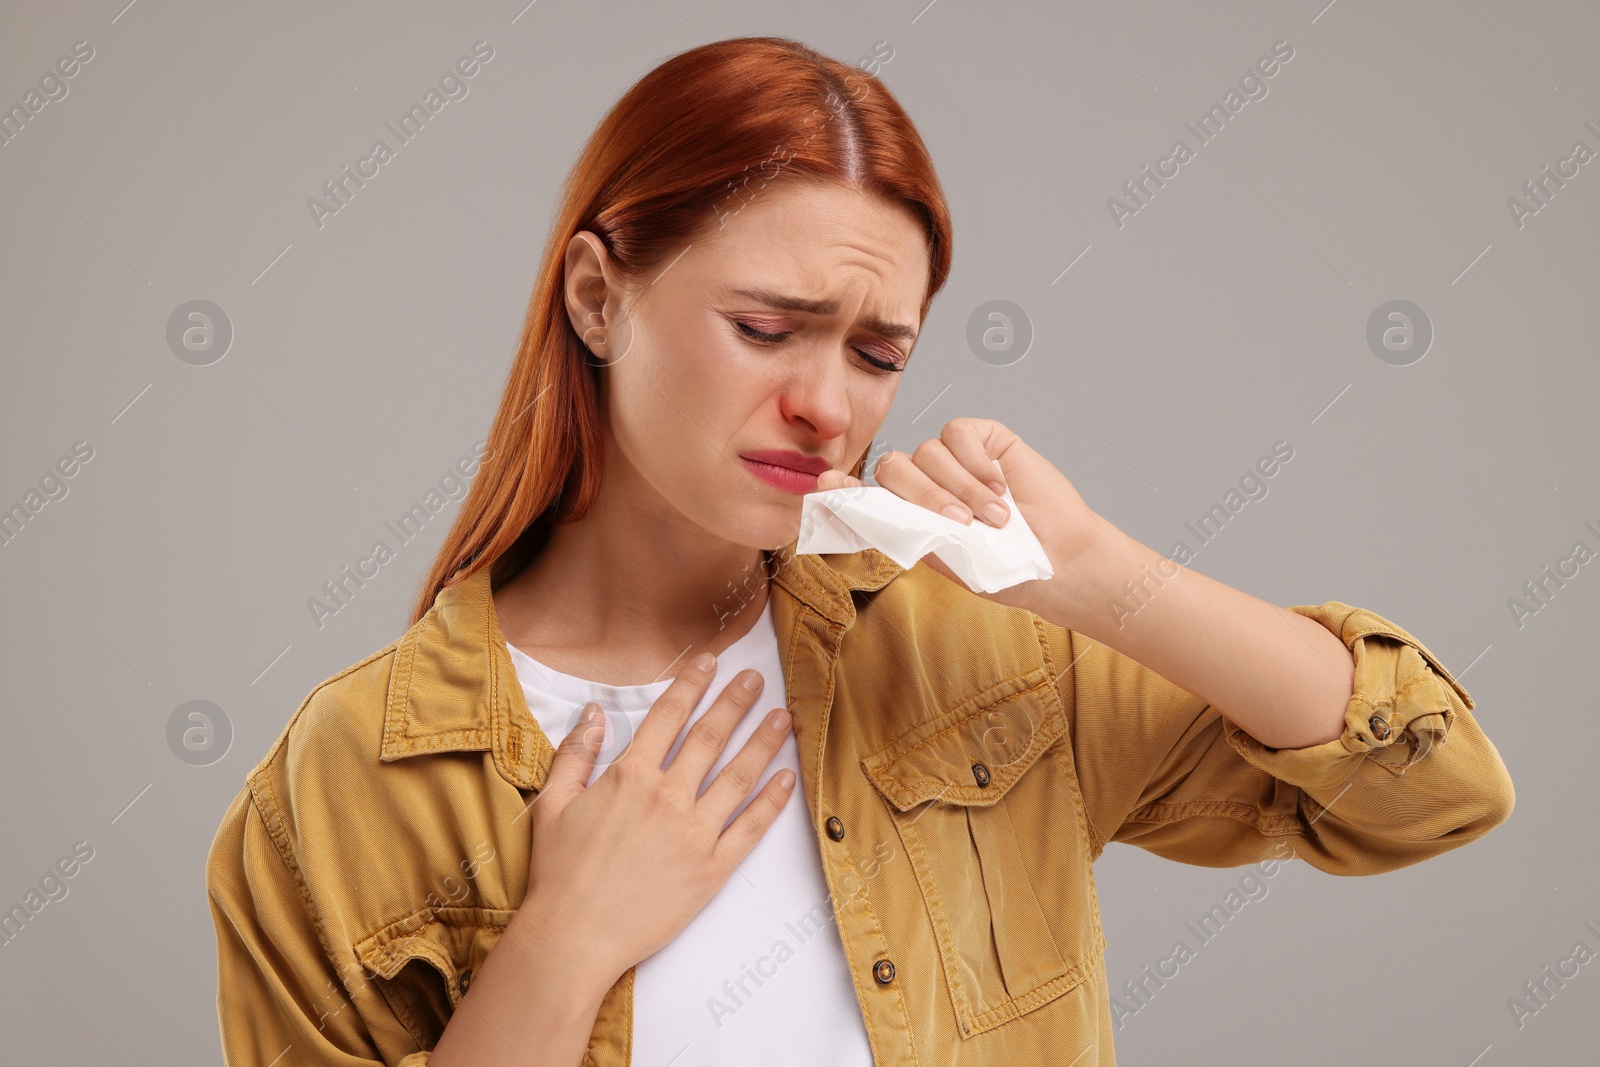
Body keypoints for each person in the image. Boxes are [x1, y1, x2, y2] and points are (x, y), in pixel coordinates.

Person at [205, 35, 1515, 1067]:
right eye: (770, 329)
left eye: (878, 353)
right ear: (599, 296)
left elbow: (1437, 786)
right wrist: (564, 944)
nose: (829, 407)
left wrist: (1104, 577)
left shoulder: (978, 650)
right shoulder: (350, 777)